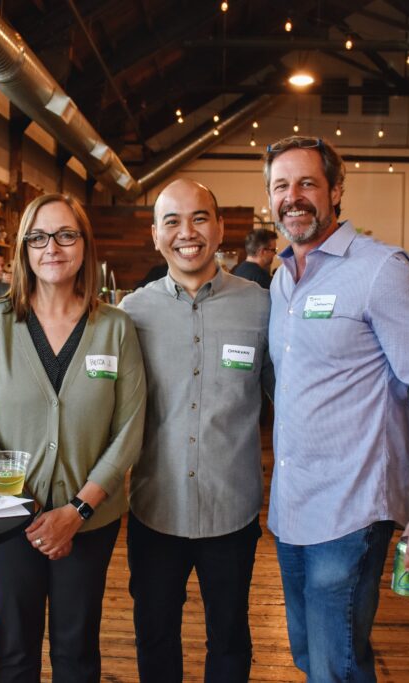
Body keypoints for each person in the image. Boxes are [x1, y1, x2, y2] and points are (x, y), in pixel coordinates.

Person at [263, 135, 409, 682]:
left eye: (307, 182)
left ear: (335, 190)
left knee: (337, 665)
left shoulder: (380, 269)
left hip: (352, 506)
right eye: (281, 185)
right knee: (312, 657)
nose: (294, 196)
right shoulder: (284, 280)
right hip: (291, 505)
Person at [0, 193, 147, 683]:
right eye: (38, 237)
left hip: (91, 517)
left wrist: (76, 511)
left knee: (76, 648)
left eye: (66, 235)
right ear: (23, 249)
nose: (52, 247)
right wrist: (24, 506)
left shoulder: (116, 328)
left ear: (84, 245)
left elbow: (129, 431)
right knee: (15, 648)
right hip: (8, 519)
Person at [120, 179, 274, 683]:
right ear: (155, 235)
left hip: (232, 509)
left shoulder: (260, 306)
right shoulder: (131, 314)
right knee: (155, 634)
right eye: (172, 221)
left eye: (200, 218)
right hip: (154, 508)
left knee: (229, 636)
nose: (187, 232)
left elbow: (288, 398)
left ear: (221, 227)